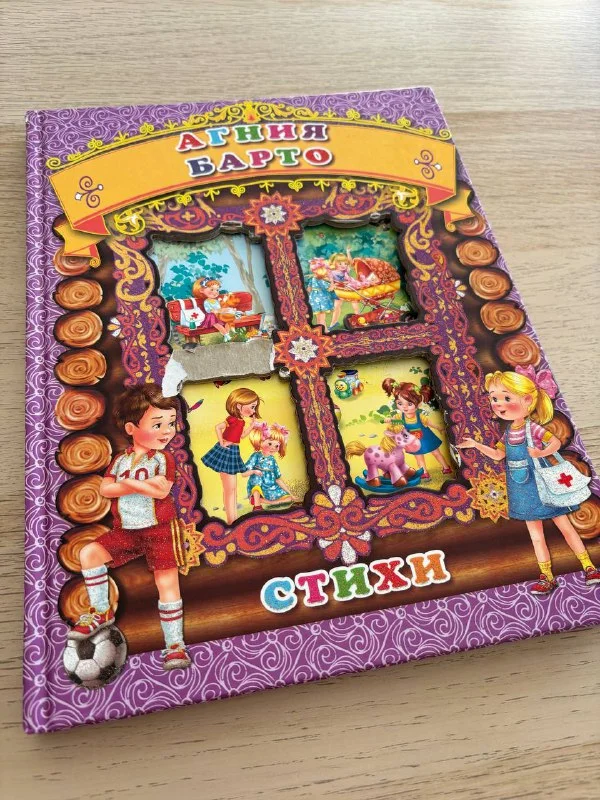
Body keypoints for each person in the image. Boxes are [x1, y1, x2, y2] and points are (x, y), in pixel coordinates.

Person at [68, 383, 191, 671]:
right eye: (157, 424)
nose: (167, 431)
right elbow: (105, 489)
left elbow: (161, 490)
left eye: (171, 423)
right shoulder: (120, 460)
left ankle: (175, 646)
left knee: (167, 583)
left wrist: (127, 484)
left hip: (159, 530)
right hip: (127, 531)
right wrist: (140, 484)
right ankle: (101, 612)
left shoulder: (162, 458)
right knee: (89, 554)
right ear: (131, 428)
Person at [458, 366, 600, 595]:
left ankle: (589, 567)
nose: (499, 404)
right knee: (536, 536)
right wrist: (476, 445)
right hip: (521, 489)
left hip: (544, 485)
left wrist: (541, 453)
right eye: (494, 398)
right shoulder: (508, 432)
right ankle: (547, 576)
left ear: (527, 400)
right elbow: (498, 454)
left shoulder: (531, 427)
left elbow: (554, 442)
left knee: (565, 527)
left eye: (506, 398)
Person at [201, 387, 262, 524]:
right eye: (252, 407)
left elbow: (241, 436)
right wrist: (222, 442)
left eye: (254, 408)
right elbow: (218, 427)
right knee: (229, 488)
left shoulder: (241, 421)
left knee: (232, 488)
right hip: (226, 451)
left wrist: (251, 426)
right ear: (239, 406)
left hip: (234, 450)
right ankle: (231, 521)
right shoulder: (233, 419)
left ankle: (234, 519)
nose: (253, 411)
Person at [382, 379, 452, 481]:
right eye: (400, 403)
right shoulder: (400, 416)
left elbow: (429, 423)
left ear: (418, 404)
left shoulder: (420, 416)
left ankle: (446, 467)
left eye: (409, 404)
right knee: (419, 457)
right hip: (413, 441)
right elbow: (393, 420)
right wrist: (388, 419)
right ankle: (424, 472)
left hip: (427, 438)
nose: (405, 407)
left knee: (436, 453)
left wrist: (439, 428)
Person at [245, 422, 300, 511]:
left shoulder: (272, 460)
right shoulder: (256, 456)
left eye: (277, 445)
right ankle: (257, 506)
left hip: (271, 487)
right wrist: (254, 471)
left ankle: (264, 501)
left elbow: (278, 479)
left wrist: (291, 493)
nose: (273, 447)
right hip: (259, 486)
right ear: (260, 441)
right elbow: (244, 473)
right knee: (256, 478)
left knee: (289, 498)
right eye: (270, 444)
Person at [305, 257, 336, 332]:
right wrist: (332, 283)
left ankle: (324, 330)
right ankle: (323, 331)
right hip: (322, 300)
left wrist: (314, 293)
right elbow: (329, 289)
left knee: (319, 318)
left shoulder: (312, 279)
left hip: (313, 300)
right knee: (321, 318)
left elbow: (308, 289)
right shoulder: (320, 280)